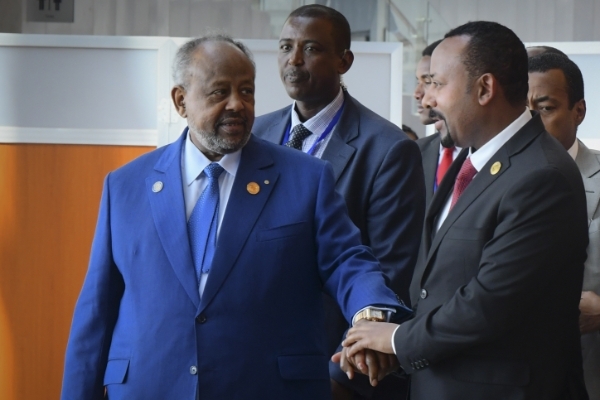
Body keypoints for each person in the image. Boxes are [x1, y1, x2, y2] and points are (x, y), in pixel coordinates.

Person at [60, 35, 409, 400]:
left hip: (267, 386)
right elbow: (96, 309)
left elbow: (347, 261)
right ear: (181, 101)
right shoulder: (126, 186)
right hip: (151, 386)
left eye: (246, 91)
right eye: (218, 92)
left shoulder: (305, 178)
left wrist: (370, 313)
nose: (237, 105)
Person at [334, 21, 590, 399]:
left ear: (485, 88)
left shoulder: (542, 175)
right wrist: (394, 345)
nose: (428, 99)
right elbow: (437, 285)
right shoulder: (470, 159)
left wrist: (398, 339)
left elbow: (490, 304)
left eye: (437, 83)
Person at [253, 5, 425, 399]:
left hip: (329, 365)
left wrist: (345, 376)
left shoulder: (388, 148)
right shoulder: (257, 134)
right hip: (253, 358)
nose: (293, 60)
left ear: (344, 59)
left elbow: (389, 271)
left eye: (310, 48)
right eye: (285, 47)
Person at [528, 52, 600, 398]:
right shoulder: (479, 182)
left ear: (579, 112)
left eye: (544, 109)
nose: (529, 123)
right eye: (520, 110)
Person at [414, 39, 462, 206]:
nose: (418, 94)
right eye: (417, 81)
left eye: (429, 82)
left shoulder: (482, 153)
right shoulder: (414, 153)